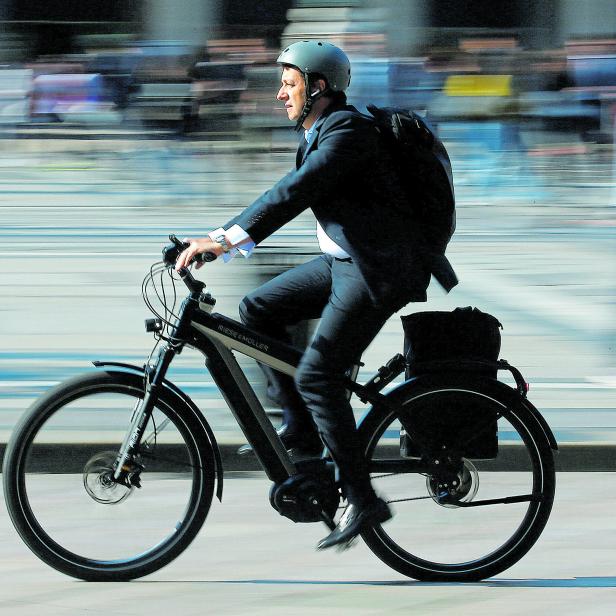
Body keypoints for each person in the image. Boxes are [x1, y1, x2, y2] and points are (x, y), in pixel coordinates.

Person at [175, 40, 458, 550]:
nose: (280, 92)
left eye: (289, 83)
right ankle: (303, 442)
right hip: (344, 262)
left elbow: (292, 192)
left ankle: (362, 497)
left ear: (319, 87)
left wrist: (221, 241)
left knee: (318, 374)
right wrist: (221, 239)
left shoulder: (348, 132)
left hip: (377, 272)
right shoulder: (322, 129)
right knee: (257, 308)